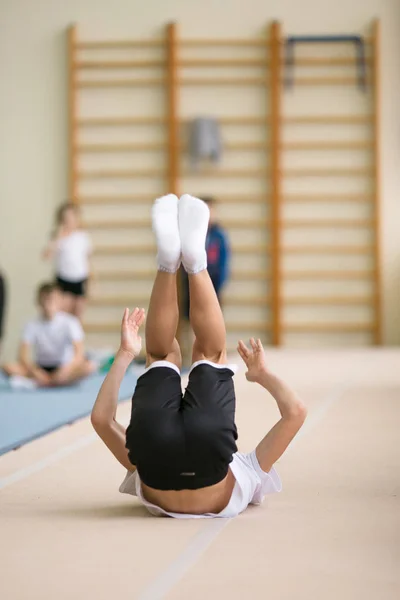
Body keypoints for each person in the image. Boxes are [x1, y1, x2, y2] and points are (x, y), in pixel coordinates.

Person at [91, 194, 307, 518]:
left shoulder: (246, 471)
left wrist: (261, 375)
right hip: (156, 458)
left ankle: (193, 262)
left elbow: (296, 413)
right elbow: (101, 420)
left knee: (209, 352)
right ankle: (168, 262)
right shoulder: (144, 464)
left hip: (213, 451)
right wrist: (125, 352)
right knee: (161, 352)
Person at [2, 282, 95, 387]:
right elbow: (22, 355)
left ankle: (52, 381)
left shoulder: (71, 322)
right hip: (41, 367)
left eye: (52, 300)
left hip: (63, 367)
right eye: (45, 300)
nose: (49, 304)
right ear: (38, 301)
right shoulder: (31, 324)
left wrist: (65, 369)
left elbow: (79, 353)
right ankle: (48, 381)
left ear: (60, 301)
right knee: (7, 367)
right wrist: (35, 371)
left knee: (89, 367)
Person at [181, 195, 230, 363]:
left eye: (211, 211)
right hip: (190, 285)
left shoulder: (219, 235)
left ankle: (214, 358)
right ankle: (191, 358)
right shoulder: (191, 233)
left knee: (213, 322)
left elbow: (224, 262)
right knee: (190, 321)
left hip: (213, 285)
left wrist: (218, 286)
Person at [43, 202, 92, 320]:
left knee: (78, 315)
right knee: (63, 314)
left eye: (71, 217)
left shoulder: (82, 237)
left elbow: (87, 261)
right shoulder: (58, 237)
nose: (68, 221)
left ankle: (76, 338)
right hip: (64, 278)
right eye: (65, 218)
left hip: (80, 278)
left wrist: (91, 283)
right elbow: (47, 256)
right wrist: (58, 237)